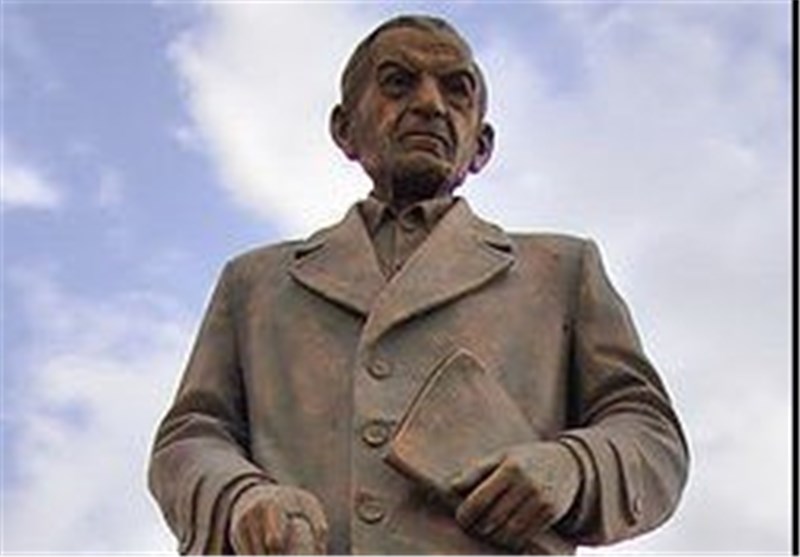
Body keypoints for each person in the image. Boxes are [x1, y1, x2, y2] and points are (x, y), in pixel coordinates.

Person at [148, 14, 689, 555]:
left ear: (482, 145)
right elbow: (191, 436)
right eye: (398, 83)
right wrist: (240, 497)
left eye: (457, 90)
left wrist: (573, 467)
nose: (430, 104)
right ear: (344, 129)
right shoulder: (255, 284)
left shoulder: (561, 271)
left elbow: (652, 435)